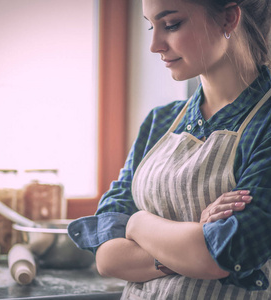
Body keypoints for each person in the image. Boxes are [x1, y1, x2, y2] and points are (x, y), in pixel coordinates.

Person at [68, 0, 271, 298]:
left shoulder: (265, 124)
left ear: (228, 19)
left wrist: (138, 223)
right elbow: (108, 256)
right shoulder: (160, 121)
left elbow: (224, 254)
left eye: (172, 25)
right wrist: (192, 240)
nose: (154, 45)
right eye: (151, 26)